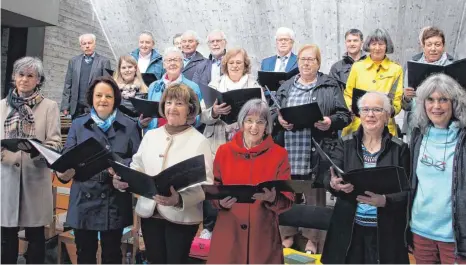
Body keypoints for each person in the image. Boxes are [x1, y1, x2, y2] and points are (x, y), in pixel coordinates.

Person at [114, 83, 214, 264]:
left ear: (190, 109)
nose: (172, 108)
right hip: (150, 213)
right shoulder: (151, 135)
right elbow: (137, 166)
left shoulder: (200, 141)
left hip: (182, 217)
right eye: (168, 103)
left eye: (179, 104)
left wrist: (179, 200)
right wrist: (124, 180)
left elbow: (206, 186)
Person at [273, 44, 351, 253]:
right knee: (287, 194)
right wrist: (279, 120)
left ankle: (312, 238)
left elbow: (345, 115)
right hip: (289, 150)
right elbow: (273, 113)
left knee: (315, 197)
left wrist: (329, 121)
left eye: (310, 59)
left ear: (318, 62)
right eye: (302, 59)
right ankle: (287, 234)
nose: (306, 63)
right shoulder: (286, 86)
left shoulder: (330, 85)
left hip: (316, 150)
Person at [56, 76, 141, 264]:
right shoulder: (79, 124)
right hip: (84, 196)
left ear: (115, 99)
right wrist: (62, 172)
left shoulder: (130, 125)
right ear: (91, 98)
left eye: (108, 96)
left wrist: (122, 169)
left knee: (112, 254)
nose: (103, 100)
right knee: (84, 253)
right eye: (99, 95)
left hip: (114, 197)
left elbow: (138, 160)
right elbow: (67, 156)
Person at [321, 92, 410, 264]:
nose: (370, 115)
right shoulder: (345, 143)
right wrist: (333, 184)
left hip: (386, 233)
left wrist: (385, 200)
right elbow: (328, 174)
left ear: (387, 115)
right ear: (359, 114)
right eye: (365, 109)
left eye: (377, 110)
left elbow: (408, 192)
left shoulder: (400, 149)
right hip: (348, 230)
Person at [207, 99, 294, 264]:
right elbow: (214, 189)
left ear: (267, 126)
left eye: (260, 122)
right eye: (249, 121)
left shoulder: (279, 155)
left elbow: (288, 200)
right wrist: (221, 203)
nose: (254, 127)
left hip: (262, 238)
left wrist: (272, 199)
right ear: (242, 122)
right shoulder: (224, 151)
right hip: (228, 235)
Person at [1, 57, 62, 264]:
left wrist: (37, 150)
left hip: (35, 175)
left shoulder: (49, 106)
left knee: (35, 235)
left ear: (38, 80)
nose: (24, 79)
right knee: (6, 236)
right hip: (6, 176)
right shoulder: (1, 106)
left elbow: (55, 143)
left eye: (30, 76)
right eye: (20, 74)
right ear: (13, 77)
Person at [407, 73, 466, 264]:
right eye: (430, 100)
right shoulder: (418, 135)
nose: (436, 106)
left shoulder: (463, 139)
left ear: (454, 103)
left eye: (443, 100)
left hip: (455, 236)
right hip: (421, 230)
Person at [201, 48, 263, 156]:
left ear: (245, 65)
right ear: (226, 65)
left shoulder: (254, 86)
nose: (235, 66)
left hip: (247, 142)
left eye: (239, 62)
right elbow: (201, 114)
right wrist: (214, 112)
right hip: (217, 142)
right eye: (231, 62)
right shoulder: (214, 85)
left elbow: (264, 115)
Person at [342, 28, 403, 137]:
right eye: (374, 44)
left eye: (381, 44)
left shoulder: (396, 69)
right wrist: (351, 108)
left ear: (387, 46)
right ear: (368, 46)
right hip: (358, 125)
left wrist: (390, 110)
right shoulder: (357, 67)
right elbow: (348, 94)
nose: (377, 48)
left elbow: (397, 100)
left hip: (385, 127)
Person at [401, 27, 455, 141]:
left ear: (443, 46)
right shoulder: (411, 65)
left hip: (445, 124)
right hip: (415, 125)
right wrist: (406, 98)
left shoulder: (453, 66)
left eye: (437, 44)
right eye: (429, 44)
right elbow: (405, 106)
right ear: (423, 46)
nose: (433, 49)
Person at [143, 47, 204, 130]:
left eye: (176, 60)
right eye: (169, 60)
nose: (172, 63)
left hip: (182, 133)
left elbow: (199, 116)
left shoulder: (193, 87)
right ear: (164, 65)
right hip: (156, 134)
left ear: (182, 64)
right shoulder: (153, 86)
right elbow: (149, 113)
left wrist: (193, 120)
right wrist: (142, 123)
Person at [61, 33, 111, 119]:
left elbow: (107, 86)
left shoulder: (104, 62)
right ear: (81, 46)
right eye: (84, 44)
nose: (87, 46)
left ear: (94, 44)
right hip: (76, 107)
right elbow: (67, 85)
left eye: (89, 43)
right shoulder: (73, 61)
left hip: (95, 106)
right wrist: (65, 106)